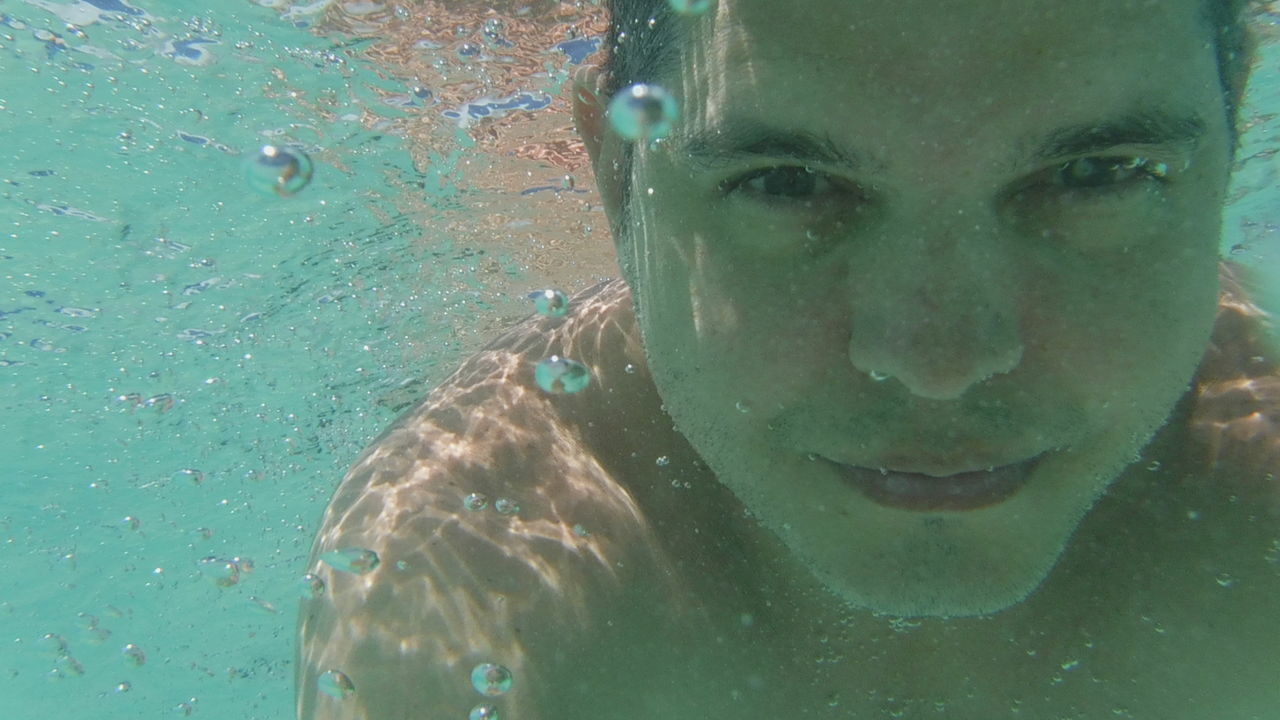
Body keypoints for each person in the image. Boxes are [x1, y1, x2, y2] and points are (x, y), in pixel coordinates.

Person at [296, 0, 1280, 717]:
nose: (940, 363)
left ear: (1233, 139)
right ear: (615, 174)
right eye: (787, 185)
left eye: (1096, 175)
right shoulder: (470, 592)